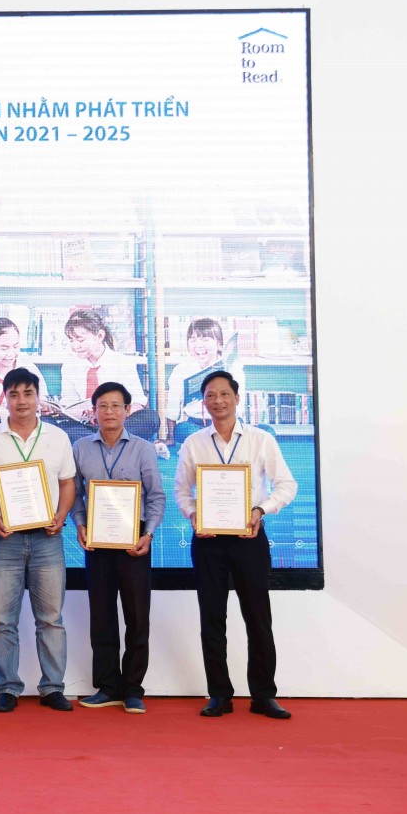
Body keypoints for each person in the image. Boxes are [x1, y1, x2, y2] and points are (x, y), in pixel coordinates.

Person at [174, 370, 297, 720]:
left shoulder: (260, 439)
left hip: (249, 539)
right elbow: (182, 490)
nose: (218, 401)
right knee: (212, 619)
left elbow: (286, 485)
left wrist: (261, 510)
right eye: (211, 395)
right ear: (204, 402)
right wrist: (194, 514)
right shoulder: (194, 443)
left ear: (237, 398)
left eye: (224, 394)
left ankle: (263, 695)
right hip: (208, 542)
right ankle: (220, 695)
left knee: (258, 618)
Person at [0, 367, 76, 712]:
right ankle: (8, 687)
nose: (21, 401)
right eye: (13, 394)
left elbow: (67, 483)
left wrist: (61, 516)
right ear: (5, 398)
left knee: (51, 618)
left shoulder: (58, 437)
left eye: (27, 393)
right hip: (5, 540)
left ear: (37, 397)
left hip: (47, 540)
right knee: (3, 620)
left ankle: (53, 687)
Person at [70, 381, 165, 714]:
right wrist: (80, 524)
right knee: (102, 615)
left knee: (137, 616)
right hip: (97, 541)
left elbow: (156, 496)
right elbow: (77, 497)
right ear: (93, 412)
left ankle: (133, 689)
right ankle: (108, 686)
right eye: (102, 406)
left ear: (127, 410)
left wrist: (148, 534)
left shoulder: (143, 448)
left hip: (133, 540)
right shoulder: (80, 448)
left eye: (116, 406)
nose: (109, 412)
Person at [52, 309, 159, 445]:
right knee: (62, 429)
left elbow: (137, 402)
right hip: (87, 426)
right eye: (71, 340)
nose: (75, 346)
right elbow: (69, 404)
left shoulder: (122, 362)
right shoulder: (69, 366)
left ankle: (99, 448)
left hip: (118, 424)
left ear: (99, 336)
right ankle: (114, 448)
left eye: (80, 339)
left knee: (150, 418)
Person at [164, 318, 246, 447]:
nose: (198, 345)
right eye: (193, 339)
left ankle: (212, 444)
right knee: (181, 430)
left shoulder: (232, 367)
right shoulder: (181, 369)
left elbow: (239, 406)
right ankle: (221, 445)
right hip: (195, 425)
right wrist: (170, 437)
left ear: (219, 344)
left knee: (267, 431)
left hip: (226, 423)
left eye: (205, 339)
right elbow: (172, 407)